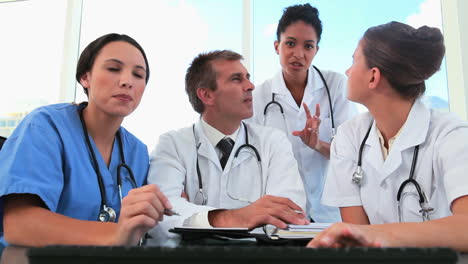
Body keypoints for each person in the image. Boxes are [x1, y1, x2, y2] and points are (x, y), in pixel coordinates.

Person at [308, 21, 468, 252]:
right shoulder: (349, 137)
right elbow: (355, 241)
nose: (348, 71)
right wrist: (367, 235)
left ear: (373, 77)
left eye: (354, 61)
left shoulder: (450, 134)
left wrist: (375, 234)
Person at [0, 33, 172, 247]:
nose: (127, 81)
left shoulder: (137, 152)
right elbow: (20, 225)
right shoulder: (45, 126)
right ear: (85, 77)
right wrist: (115, 234)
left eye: (138, 74)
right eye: (113, 69)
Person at [147, 50, 308, 245]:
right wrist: (236, 217)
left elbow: (288, 213)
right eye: (236, 79)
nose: (250, 86)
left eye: (247, 78)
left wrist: (193, 216)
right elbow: (161, 215)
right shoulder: (172, 144)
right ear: (206, 95)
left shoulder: (273, 141)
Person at [249, 3, 356, 223]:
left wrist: (318, 145)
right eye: (290, 43)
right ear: (277, 46)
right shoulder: (259, 97)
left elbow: (353, 155)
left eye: (308, 46)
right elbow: (251, 161)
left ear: (316, 50)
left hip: (330, 214)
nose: (298, 54)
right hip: (280, 216)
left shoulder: (336, 86)